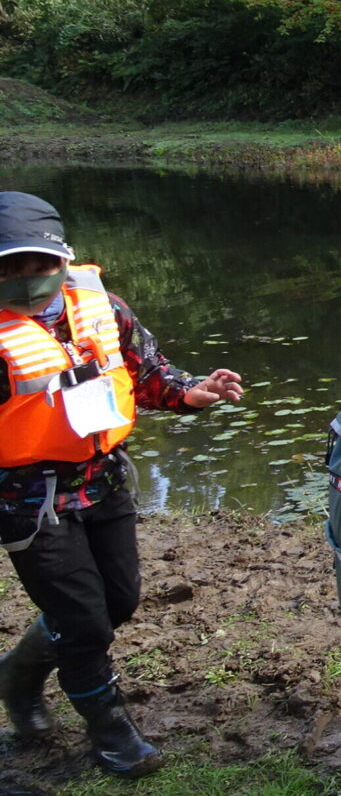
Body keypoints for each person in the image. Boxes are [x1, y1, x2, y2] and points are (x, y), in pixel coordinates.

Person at [0, 192, 243, 779]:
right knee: (84, 624)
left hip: (105, 482)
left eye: (40, 265)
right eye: (9, 267)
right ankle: (111, 732)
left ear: (62, 259)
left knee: (118, 601)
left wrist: (193, 391)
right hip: (29, 504)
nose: (28, 279)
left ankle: (19, 673)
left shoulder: (103, 307)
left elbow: (148, 371)